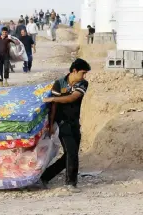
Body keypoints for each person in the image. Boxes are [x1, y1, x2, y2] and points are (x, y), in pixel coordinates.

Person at [40, 58, 91, 193]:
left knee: (69, 155)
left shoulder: (83, 84)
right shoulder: (59, 83)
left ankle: (45, 177)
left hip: (75, 123)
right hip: (63, 123)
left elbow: (73, 97)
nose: (84, 76)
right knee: (72, 152)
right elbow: (54, 107)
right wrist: (51, 125)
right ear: (74, 71)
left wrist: (53, 98)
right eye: (83, 72)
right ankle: (70, 183)